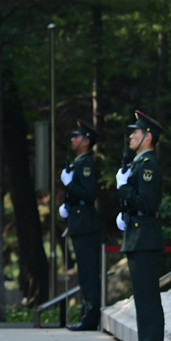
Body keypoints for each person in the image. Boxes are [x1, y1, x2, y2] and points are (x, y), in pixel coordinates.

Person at [116, 109, 166, 341]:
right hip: (139, 236)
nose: (131, 135)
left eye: (135, 131)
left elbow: (146, 201)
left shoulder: (148, 165)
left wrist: (123, 188)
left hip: (145, 239)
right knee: (143, 300)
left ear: (148, 136)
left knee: (147, 301)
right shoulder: (139, 163)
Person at [60, 120, 102, 330]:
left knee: (88, 272)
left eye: (77, 136)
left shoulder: (85, 164)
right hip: (79, 221)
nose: (72, 139)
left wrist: (70, 185)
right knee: (84, 273)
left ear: (86, 141)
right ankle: (86, 313)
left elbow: (88, 193)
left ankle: (90, 316)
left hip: (85, 223)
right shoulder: (78, 162)